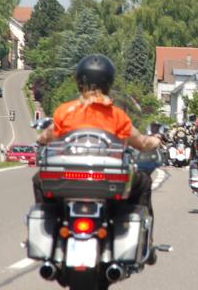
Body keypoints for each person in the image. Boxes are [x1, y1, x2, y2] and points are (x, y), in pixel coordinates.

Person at [33, 54, 164, 215]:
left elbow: (47, 136)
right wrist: (156, 140)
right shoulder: (117, 116)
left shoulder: (65, 111)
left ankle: (48, 219)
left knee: (38, 180)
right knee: (143, 182)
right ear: (108, 83)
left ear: (79, 82)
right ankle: (133, 226)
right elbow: (142, 143)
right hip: (108, 179)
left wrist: (40, 138)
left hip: (68, 176)